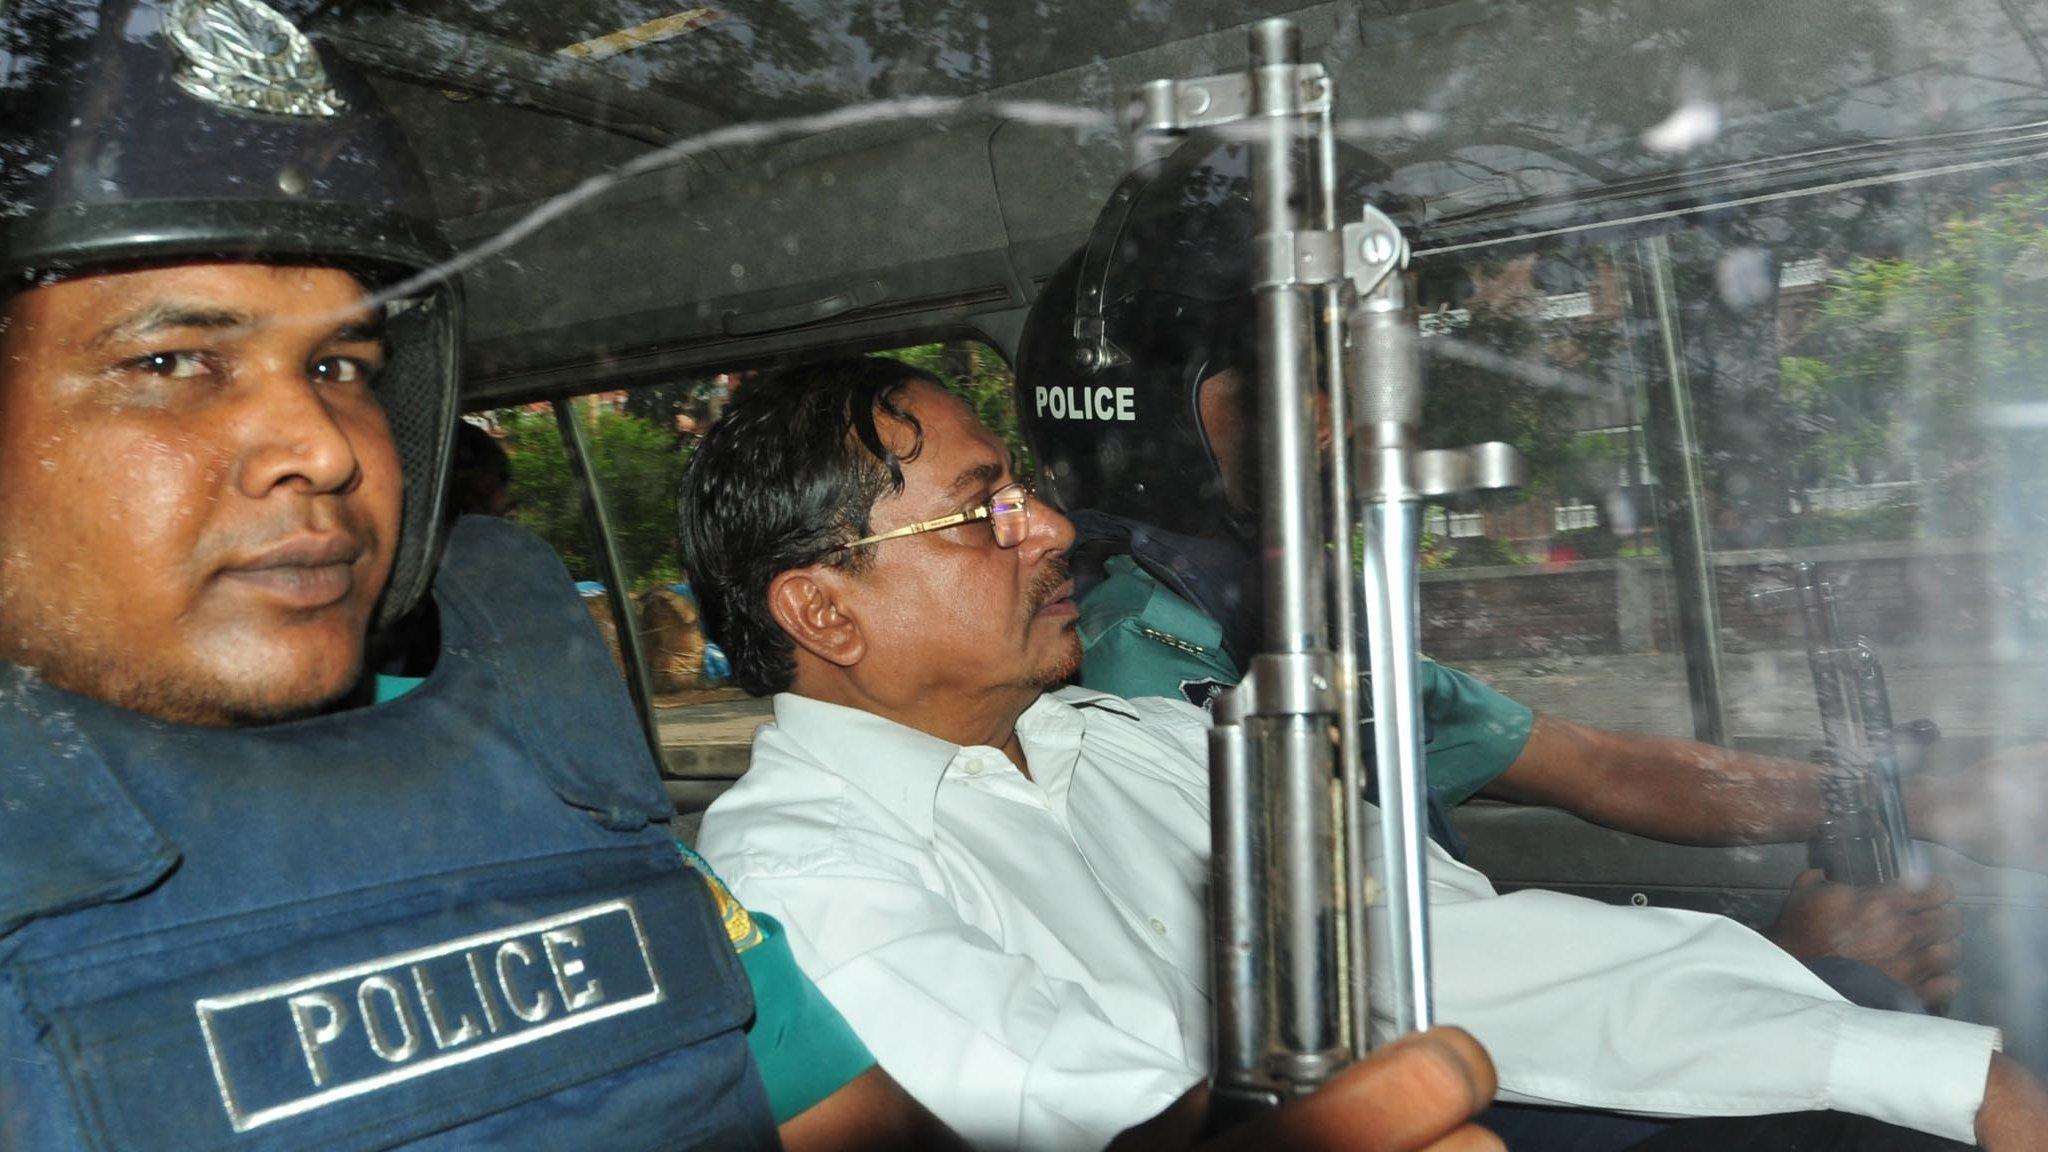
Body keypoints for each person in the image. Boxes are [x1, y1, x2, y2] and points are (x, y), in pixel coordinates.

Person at [0, 8, 1500, 1152]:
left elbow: (848, 1127)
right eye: (170, 363)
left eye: (342, 364)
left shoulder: (513, 761)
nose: (317, 445)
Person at [682, 355, 2048, 1150]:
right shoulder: (795, 865)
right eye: (985, 513)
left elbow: (1470, 958)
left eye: (1030, 493)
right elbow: (1094, 1109)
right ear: (822, 609)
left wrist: (1885, 1053)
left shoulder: (1160, 744)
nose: (1052, 532)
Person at [1012, 132, 1995, 1017]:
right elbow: (1357, 995)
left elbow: (1597, 766)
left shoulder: (1284, 629)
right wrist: (1792, 981)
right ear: (1148, 419)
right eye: (1288, 380)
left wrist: (1916, 800)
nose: (1337, 418)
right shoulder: (1128, 675)